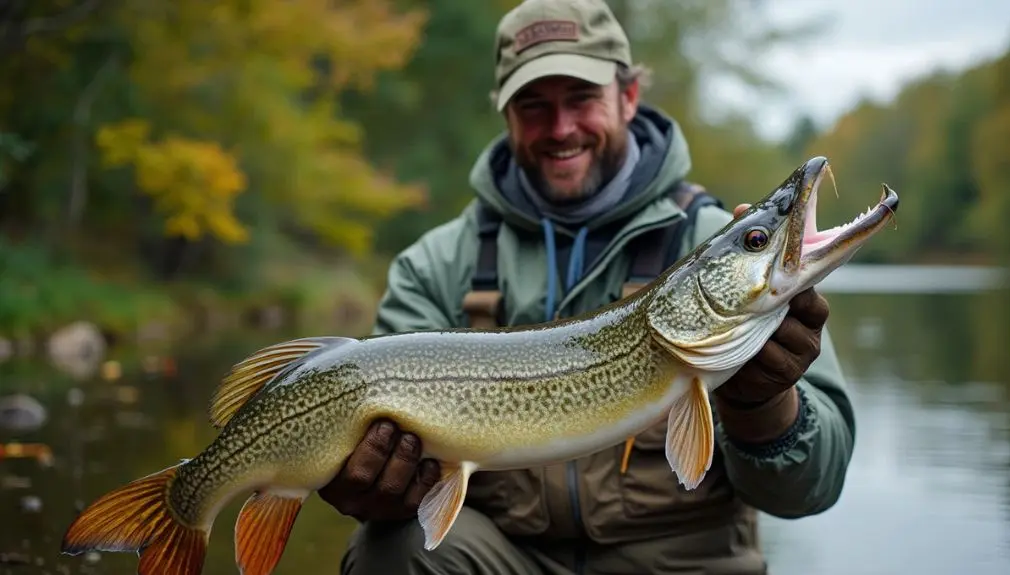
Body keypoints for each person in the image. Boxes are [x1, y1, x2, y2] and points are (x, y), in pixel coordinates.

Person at [320, 0, 855, 573]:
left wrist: (763, 405)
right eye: (534, 106)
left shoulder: (708, 241)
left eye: (581, 98)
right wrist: (377, 491)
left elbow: (810, 490)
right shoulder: (434, 266)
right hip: (506, 558)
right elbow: (372, 468)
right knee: (391, 548)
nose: (561, 128)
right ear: (505, 113)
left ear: (628, 96)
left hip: (678, 563)